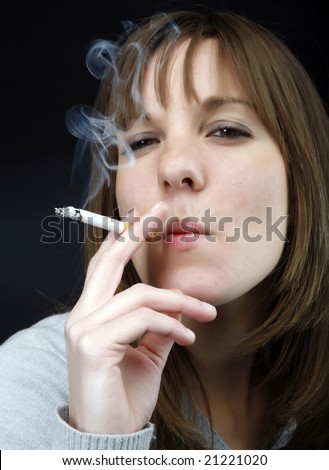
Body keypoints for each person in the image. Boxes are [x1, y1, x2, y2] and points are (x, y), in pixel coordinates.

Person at [1, 8, 329, 450]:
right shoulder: (29, 386)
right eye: (141, 142)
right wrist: (102, 444)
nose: (174, 168)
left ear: (301, 175)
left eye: (226, 130)